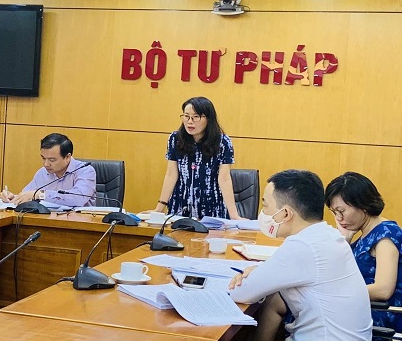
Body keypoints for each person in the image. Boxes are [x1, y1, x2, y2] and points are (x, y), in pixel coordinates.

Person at [228, 169, 372, 341]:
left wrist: (248, 277)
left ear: (285, 214)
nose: (263, 213)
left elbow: (240, 293)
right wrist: (259, 272)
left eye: (265, 206)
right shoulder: (327, 235)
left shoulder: (303, 246)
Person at [325, 172, 402, 332]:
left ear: (363, 205)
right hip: (359, 309)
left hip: (379, 315)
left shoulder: (385, 235)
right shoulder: (364, 234)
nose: (338, 218)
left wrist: (336, 294)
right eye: (334, 212)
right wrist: (345, 239)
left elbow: (383, 289)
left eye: (342, 211)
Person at [154, 96, 239, 219]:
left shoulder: (222, 142)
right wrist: (159, 208)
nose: (190, 121)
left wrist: (234, 216)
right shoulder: (175, 139)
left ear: (208, 118)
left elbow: (224, 179)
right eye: (186, 116)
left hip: (212, 209)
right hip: (180, 208)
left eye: (196, 117)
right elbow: (171, 175)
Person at [0, 133, 96, 207]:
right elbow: (29, 194)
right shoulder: (43, 172)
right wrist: (14, 198)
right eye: (43, 158)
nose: (46, 164)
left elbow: (78, 198)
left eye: (52, 160)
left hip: (78, 223)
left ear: (67, 157)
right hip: (48, 221)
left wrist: (41, 195)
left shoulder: (85, 171)